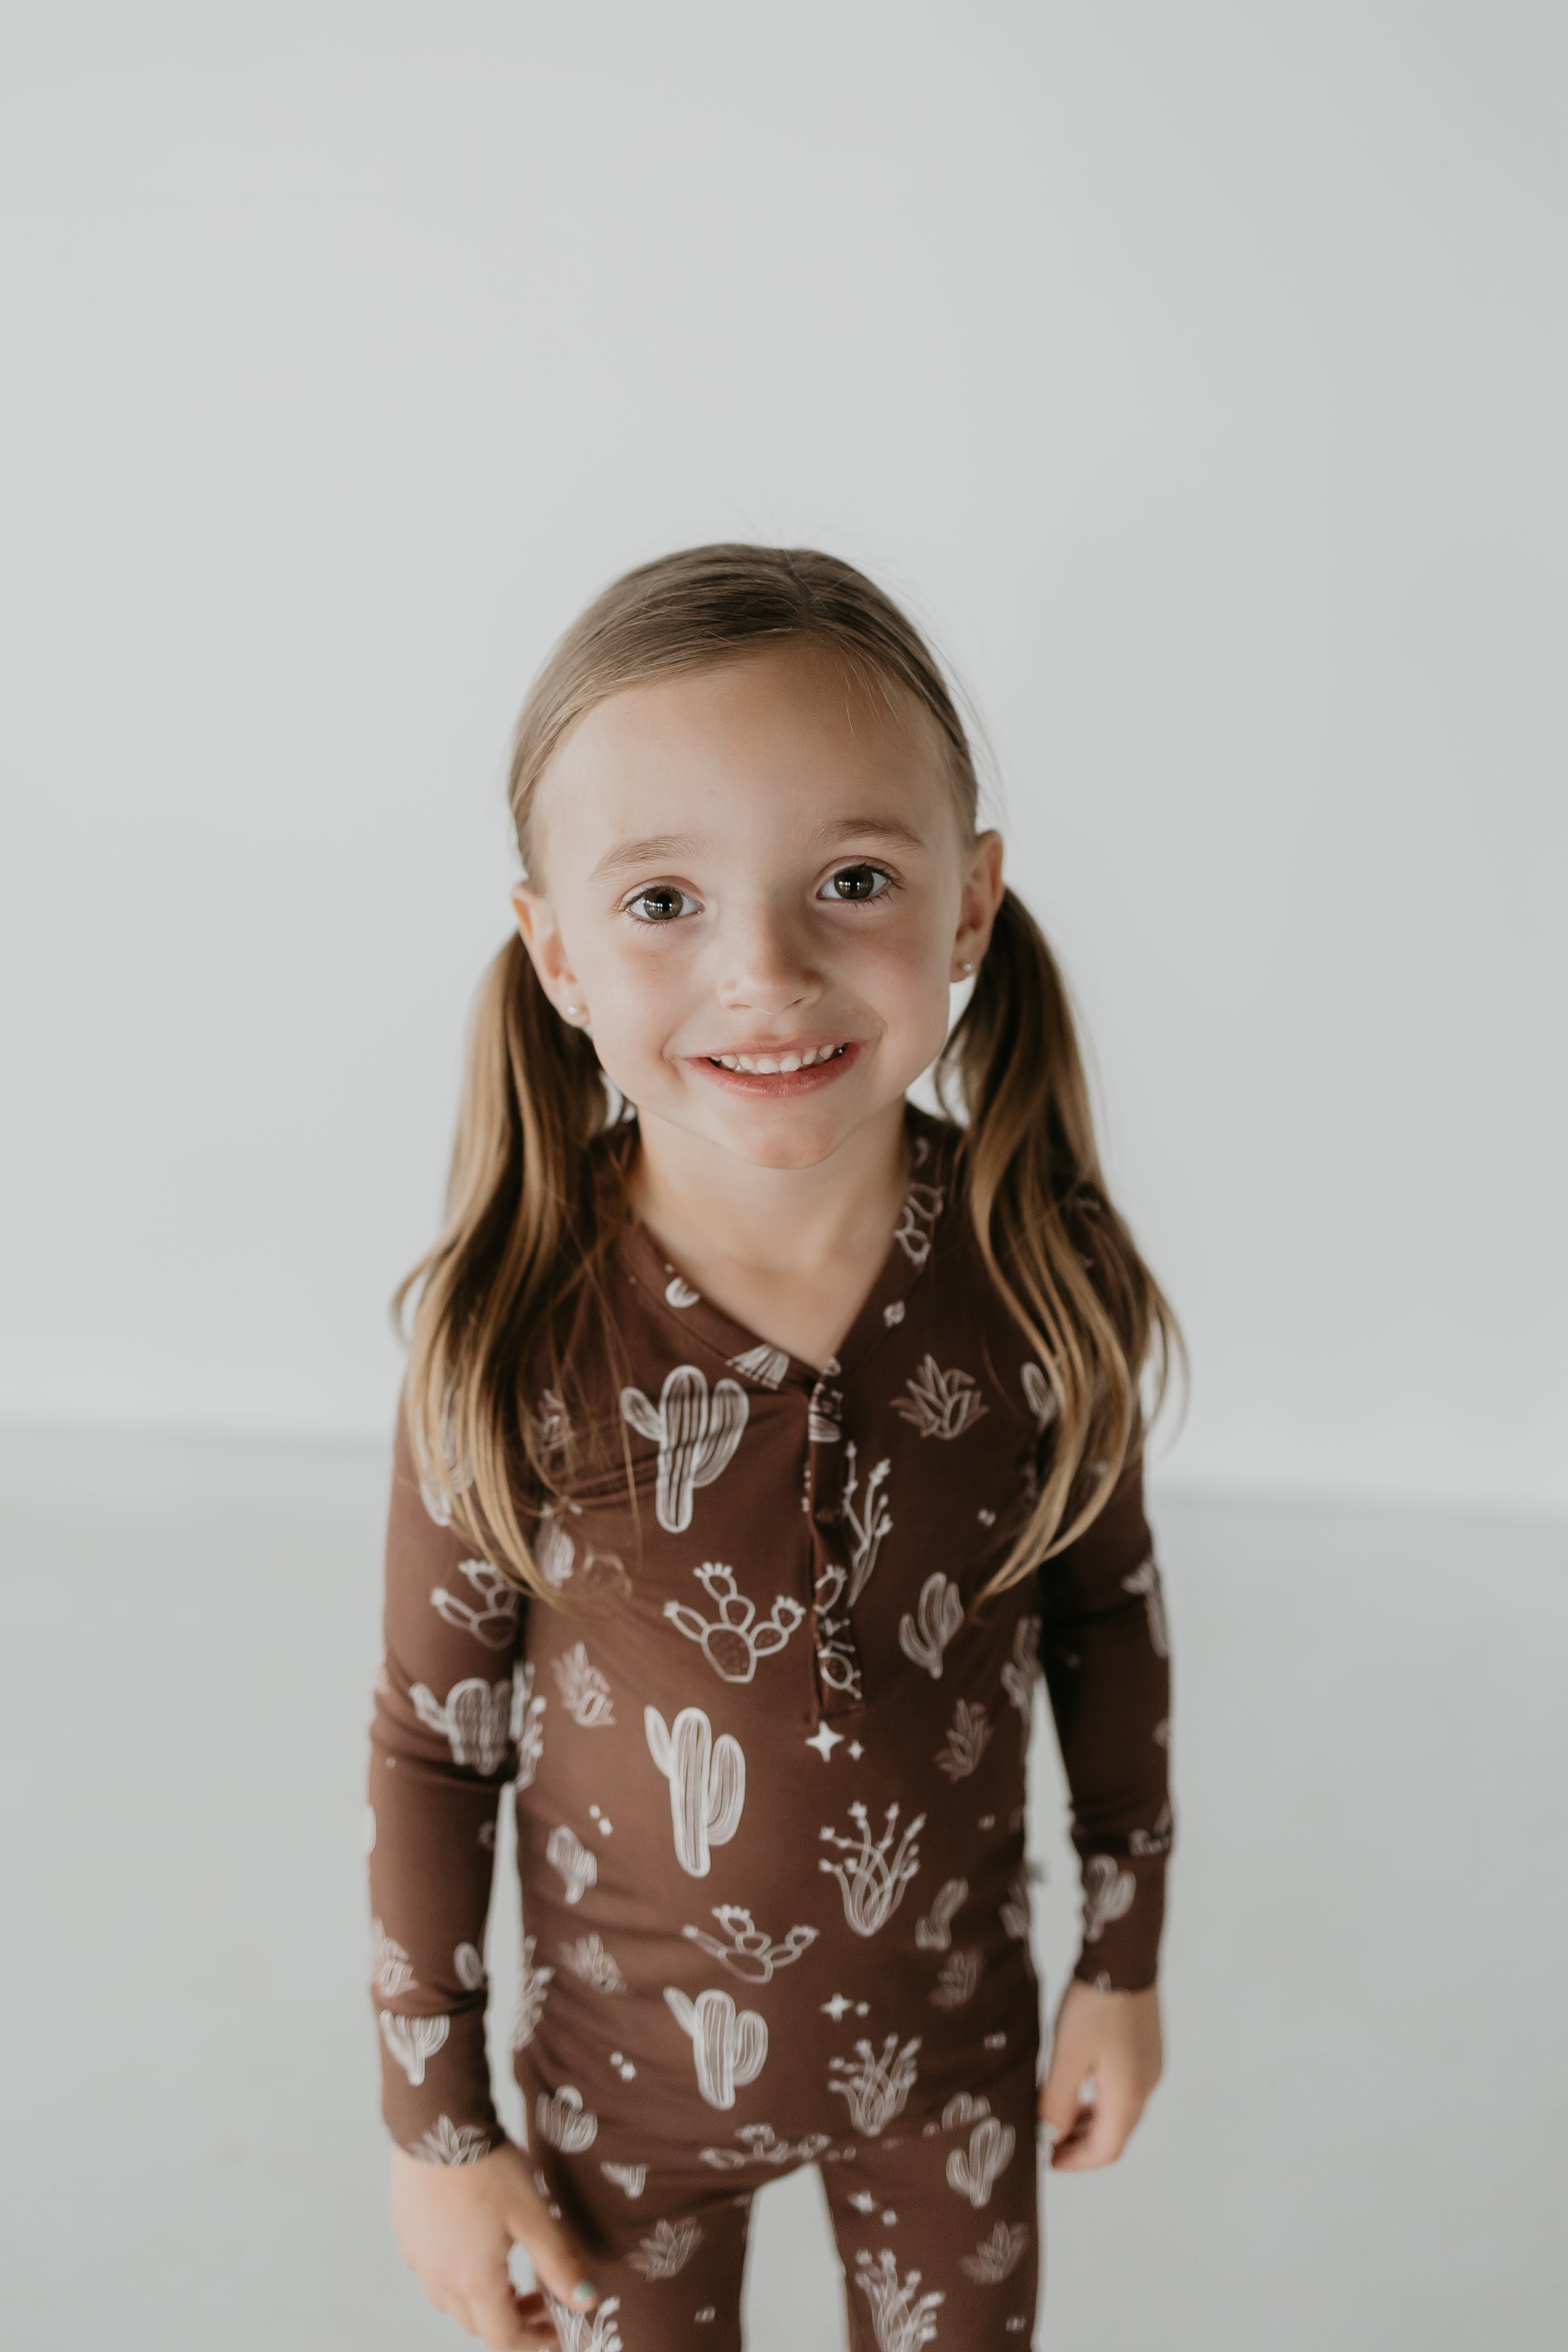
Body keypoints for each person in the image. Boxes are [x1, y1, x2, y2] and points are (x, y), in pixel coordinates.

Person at [365, 544, 1184, 2352]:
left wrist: (1119, 1961)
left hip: (952, 2060)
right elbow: (438, 1741)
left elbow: (1102, 1625)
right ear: (556, 948)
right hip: (620, 2109)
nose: (764, 968)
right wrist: (439, 2131)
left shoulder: (1039, 1277)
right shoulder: (511, 1330)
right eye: (662, 899)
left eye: (854, 878)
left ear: (968, 909)